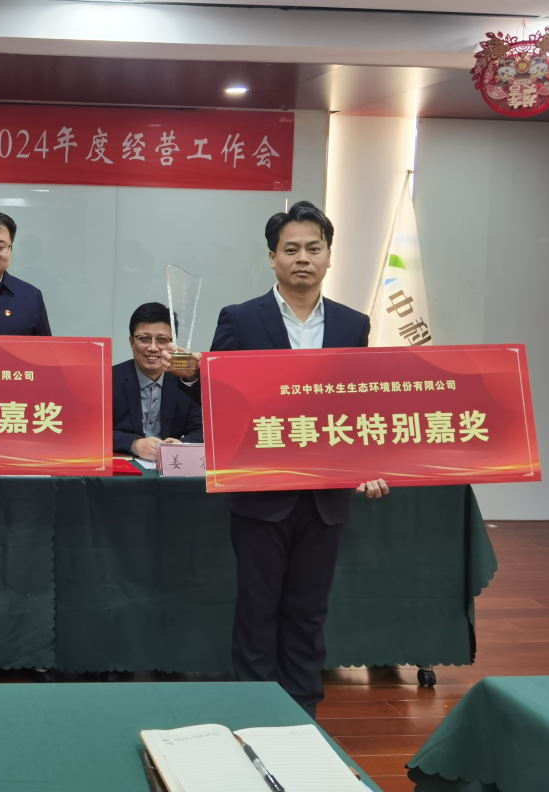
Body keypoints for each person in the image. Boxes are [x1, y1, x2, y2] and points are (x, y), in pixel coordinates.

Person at [176, 200, 389, 720]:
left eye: (313, 248)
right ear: (272, 258)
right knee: (257, 607)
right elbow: (218, 399)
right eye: (290, 249)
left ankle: (302, 711)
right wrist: (194, 374)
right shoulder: (240, 318)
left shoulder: (353, 324)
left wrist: (370, 463)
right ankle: (254, 710)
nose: (303, 258)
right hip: (259, 492)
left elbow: (360, 404)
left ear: (329, 255)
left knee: (308, 610)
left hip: (325, 496)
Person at [113, 302, 203, 458]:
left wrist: (181, 445)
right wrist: (134, 444)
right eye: (144, 339)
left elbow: (203, 430)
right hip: (123, 466)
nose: (153, 348)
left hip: (172, 465)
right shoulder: (108, 379)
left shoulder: (185, 380)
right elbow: (92, 430)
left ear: (173, 344)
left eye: (162, 340)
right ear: (131, 342)